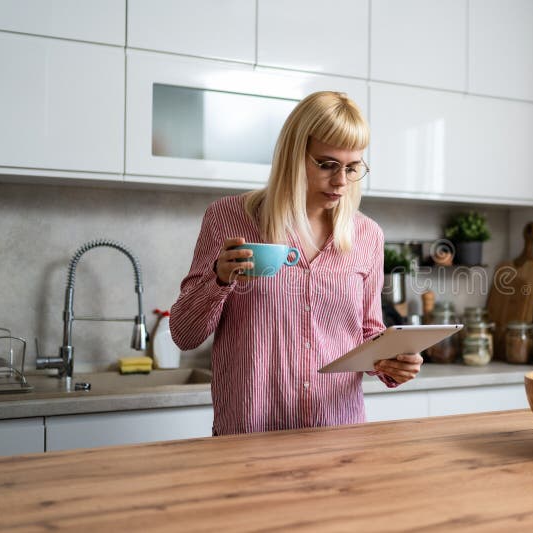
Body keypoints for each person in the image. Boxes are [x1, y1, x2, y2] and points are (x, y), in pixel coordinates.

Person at [170, 91, 424, 435]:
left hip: (338, 438)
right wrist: (220, 278)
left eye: (352, 168)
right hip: (249, 440)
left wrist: (394, 363)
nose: (341, 182)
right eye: (328, 164)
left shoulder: (367, 235)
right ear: (293, 154)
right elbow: (184, 334)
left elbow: (368, 333)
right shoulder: (228, 218)